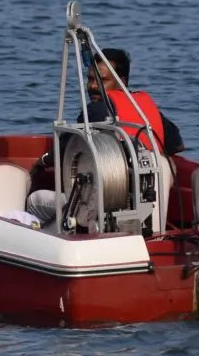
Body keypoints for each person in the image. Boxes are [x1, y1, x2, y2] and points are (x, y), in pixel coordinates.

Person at [25, 46, 184, 227]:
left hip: (103, 210)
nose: (93, 86)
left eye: (102, 80)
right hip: (146, 211)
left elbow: (62, 155)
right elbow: (177, 145)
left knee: (35, 201)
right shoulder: (146, 108)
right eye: (90, 79)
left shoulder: (95, 110)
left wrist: (41, 163)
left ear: (121, 81)